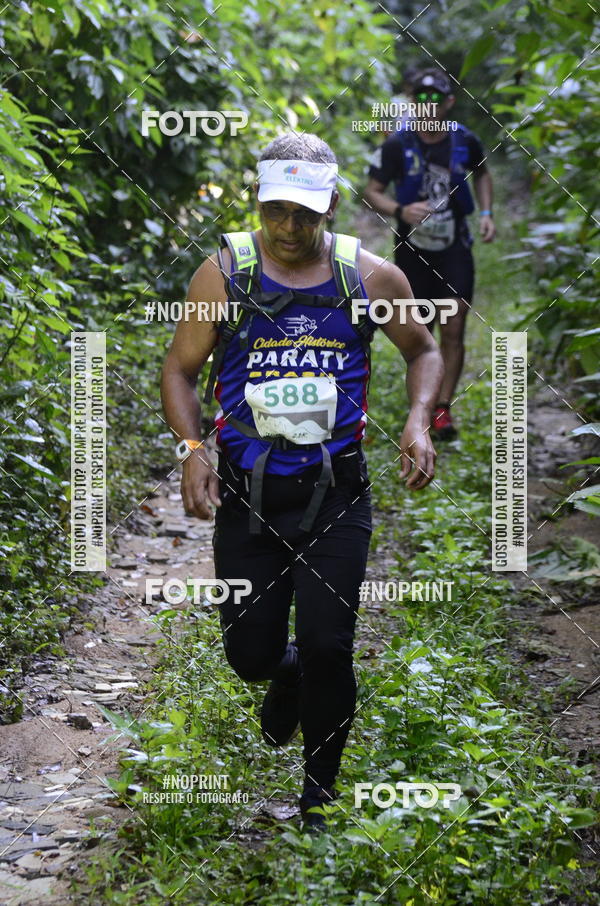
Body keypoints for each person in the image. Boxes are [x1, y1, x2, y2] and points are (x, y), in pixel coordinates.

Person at [161, 133, 443, 832]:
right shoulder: (224, 274)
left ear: (332, 206)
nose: (289, 228)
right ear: (259, 203)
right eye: (276, 211)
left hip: (335, 494)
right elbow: (179, 370)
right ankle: (280, 673)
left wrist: (417, 420)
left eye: (306, 214)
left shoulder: (370, 278)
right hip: (249, 493)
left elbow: (424, 349)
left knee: (329, 645)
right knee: (250, 654)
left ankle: (317, 804)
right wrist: (193, 445)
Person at [364, 66, 496, 439]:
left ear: (448, 102)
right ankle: (420, 407)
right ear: (411, 102)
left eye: (435, 98)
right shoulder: (396, 145)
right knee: (422, 329)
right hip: (412, 249)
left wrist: (486, 213)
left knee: (453, 327)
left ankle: (442, 409)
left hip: (455, 247)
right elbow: (372, 190)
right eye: (420, 98)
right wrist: (399, 210)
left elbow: (483, 174)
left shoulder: (464, 141)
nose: (427, 105)